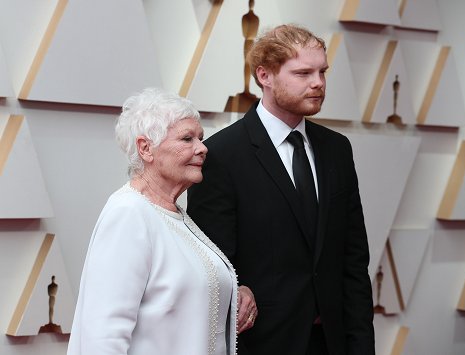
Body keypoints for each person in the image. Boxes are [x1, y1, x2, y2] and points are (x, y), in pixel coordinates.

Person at [187, 24, 375, 355]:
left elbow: (353, 262)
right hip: (261, 345)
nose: (318, 83)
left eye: (322, 72)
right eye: (303, 73)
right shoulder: (222, 156)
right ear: (265, 76)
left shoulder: (337, 150)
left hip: (333, 343)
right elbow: (214, 270)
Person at [68, 88, 248, 355]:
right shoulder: (129, 214)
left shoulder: (173, 214)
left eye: (200, 138)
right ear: (145, 148)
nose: (202, 148)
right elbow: (104, 335)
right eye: (187, 139)